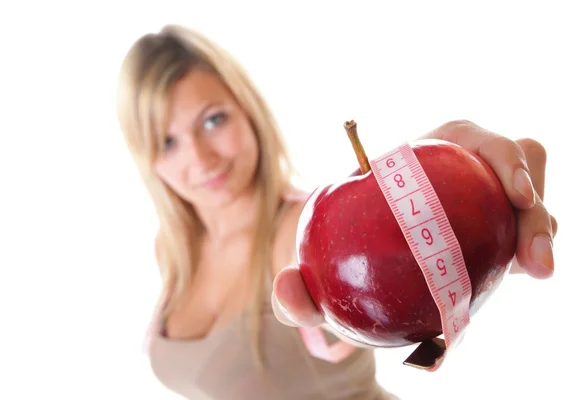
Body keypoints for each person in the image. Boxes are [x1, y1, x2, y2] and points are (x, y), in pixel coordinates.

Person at [116, 24, 558, 400]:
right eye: (167, 142)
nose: (200, 157)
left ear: (248, 110)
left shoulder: (299, 234)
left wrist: (461, 201)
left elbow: (381, 286)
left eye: (213, 120)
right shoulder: (172, 248)